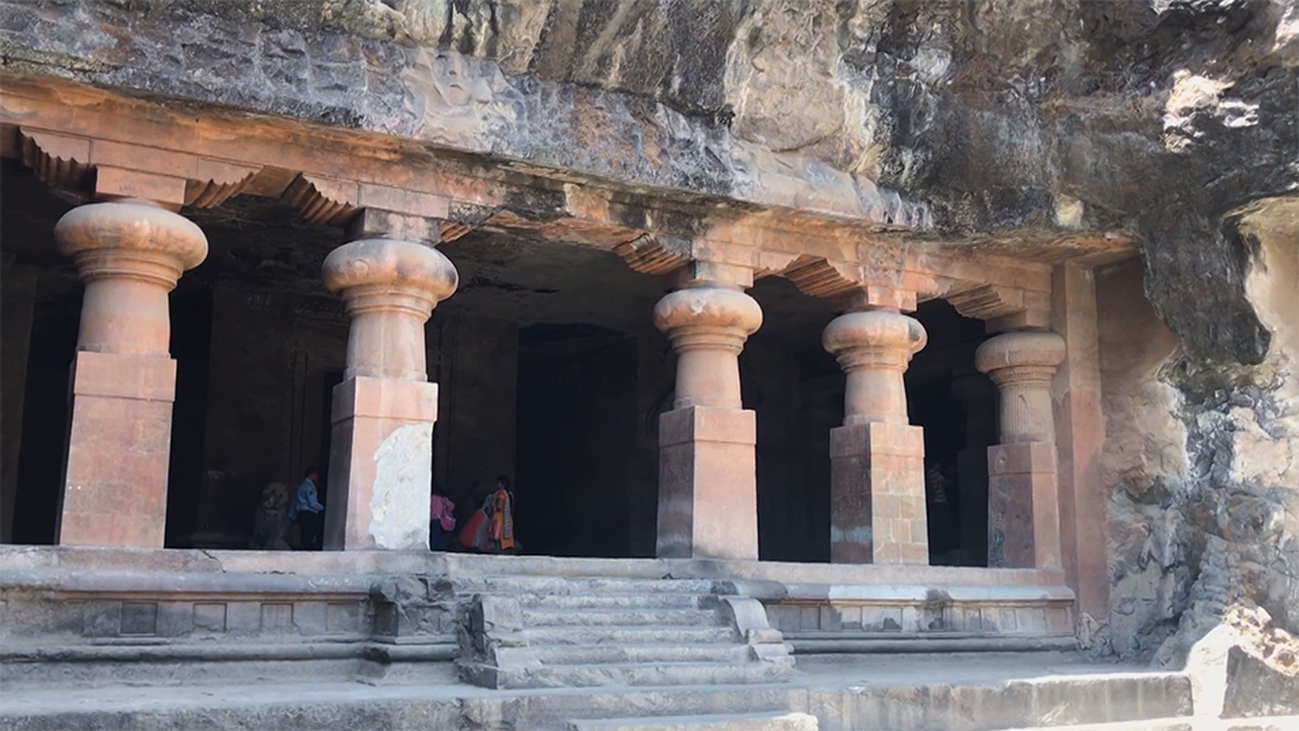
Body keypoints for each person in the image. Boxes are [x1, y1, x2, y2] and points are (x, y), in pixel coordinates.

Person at [289, 467, 324, 550]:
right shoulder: (309, 487)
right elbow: (312, 503)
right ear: (311, 475)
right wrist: (323, 508)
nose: (317, 477)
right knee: (308, 535)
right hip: (308, 514)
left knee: (305, 535)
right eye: (316, 475)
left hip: (302, 513)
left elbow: (295, 501)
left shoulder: (302, 485)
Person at [429, 484, 455, 551]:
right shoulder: (443, 500)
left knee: (433, 543)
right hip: (443, 522)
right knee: (440, 541)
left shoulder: (433, 499)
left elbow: (433, 512)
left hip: (434, 521)